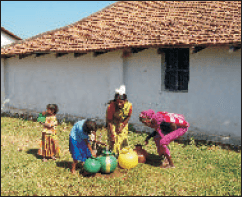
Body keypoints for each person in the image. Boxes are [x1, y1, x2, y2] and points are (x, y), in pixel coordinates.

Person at [106, 85, 132, 155]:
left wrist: (122, 126)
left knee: (122, 138)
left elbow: (128, 116)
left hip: (122, 122)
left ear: (125, 101)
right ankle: (112, 154)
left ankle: (121, 154)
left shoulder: (129, 106)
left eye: (121, 102)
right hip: (112, 122)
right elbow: (109, 121)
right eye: (117, 102)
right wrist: (112, 134)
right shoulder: (111, 106)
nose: (119, 104)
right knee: (113, 140)